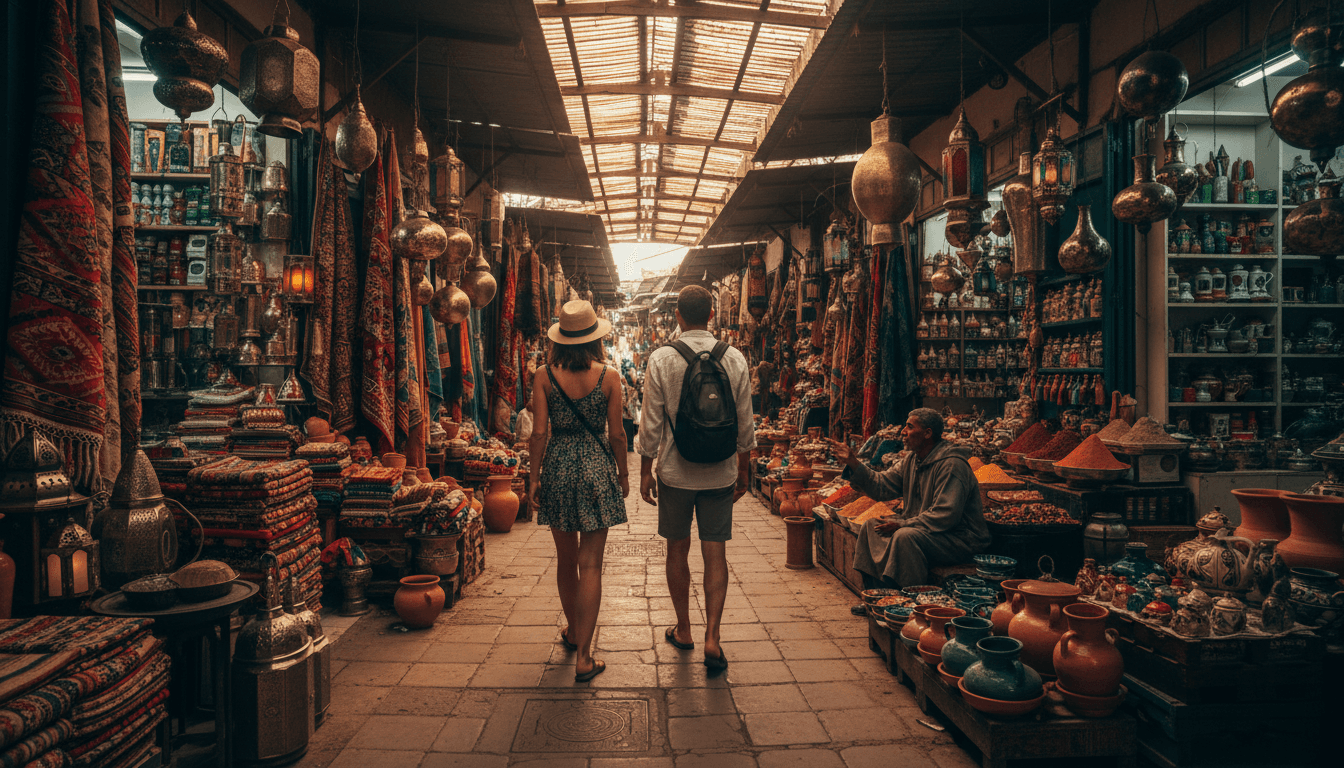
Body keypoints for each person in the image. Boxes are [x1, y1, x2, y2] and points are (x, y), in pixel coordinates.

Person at [638, 285, 755, 670]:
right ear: (712, 313)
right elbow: (745, 421)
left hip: (675, 471)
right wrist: (744, 471)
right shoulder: (734, 357)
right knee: (715, 551)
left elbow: (651, 422)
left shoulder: (662, 358)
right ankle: (713, 638)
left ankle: (685, 628)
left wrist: (645, 470)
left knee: (677, 549)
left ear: (678, 316)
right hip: (721, 471)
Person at [529, 300, 630, 682]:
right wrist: (621, 475)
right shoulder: (609, 376)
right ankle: (584, 655)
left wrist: (534, 476)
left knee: (565, 560)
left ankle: (573, 630)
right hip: (595, 468)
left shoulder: (543, 375)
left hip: (557, 465)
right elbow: (618, 434)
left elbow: (539, 432)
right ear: (595, 339)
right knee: (591, 565)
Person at [827, 408, 990, 610]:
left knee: (905, 536)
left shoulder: (952, 465)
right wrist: (853, 462)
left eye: (910, 426)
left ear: (927, 433)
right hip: (927, 530)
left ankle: (911, 605)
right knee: (871, 527)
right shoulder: (912, 460)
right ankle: (879, 598)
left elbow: (945, 515)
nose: (903, 431)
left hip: (959, 538)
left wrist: (904, 523)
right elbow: (881, 485)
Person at [621, 367, 640, 451]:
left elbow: (623, 402)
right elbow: (635, 403)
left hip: (624, 415)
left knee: (626, 432)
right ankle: (630, 447)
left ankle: (627, 446)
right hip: (631, 416)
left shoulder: (622, 389)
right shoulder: (634, 391)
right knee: (630, 433)